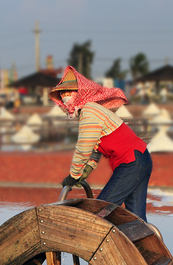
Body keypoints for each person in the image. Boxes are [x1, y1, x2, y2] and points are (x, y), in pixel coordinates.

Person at [50, 66, 152, 222]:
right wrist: (89, 167)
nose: (65, 96)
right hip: (141, 158)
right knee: (136, 220)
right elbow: (95, 145)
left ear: (80, 92)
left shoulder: (89, 112)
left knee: (100, 212)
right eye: (62, 93)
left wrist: (74, 175)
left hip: (131, 162)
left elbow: (83, 147)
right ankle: (142, 246)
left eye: (69, 91)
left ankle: (92, 244)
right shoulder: (92, 110)